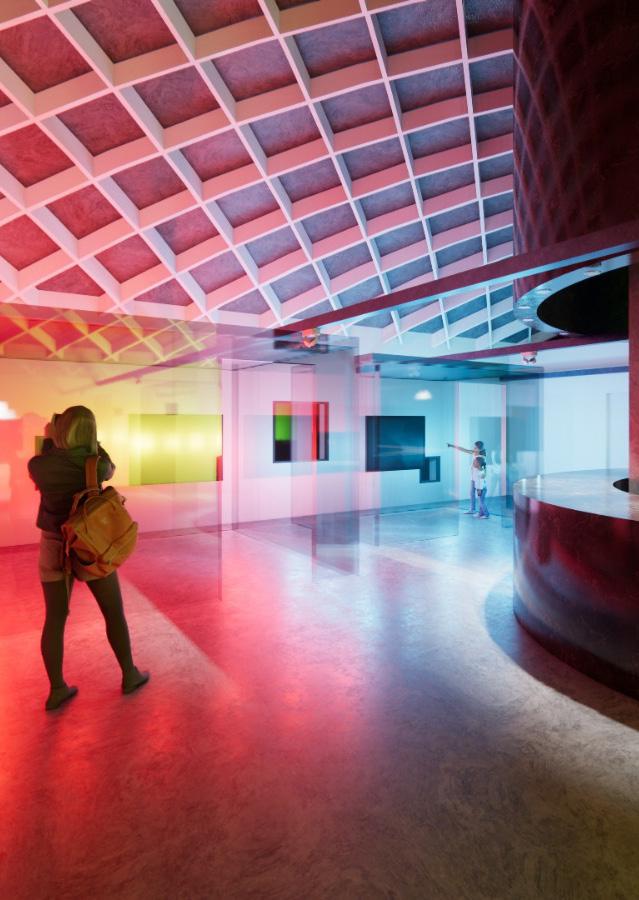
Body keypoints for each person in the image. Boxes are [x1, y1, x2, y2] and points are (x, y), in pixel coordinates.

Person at [28, 406, 149, 711]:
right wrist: (94, 443)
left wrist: (50, 439)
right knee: (113, 611)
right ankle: (129, 675)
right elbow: (108, 466)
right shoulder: (96, 464)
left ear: (60, 431)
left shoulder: (39, 465)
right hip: (89, 544)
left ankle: (57, 690)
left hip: (53, 545)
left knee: (55, 618)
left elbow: (46, 458)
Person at [447, 440, 487, 515]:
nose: (473, 448)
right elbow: (463, 449)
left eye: (475, 447)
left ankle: (482, 512)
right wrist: (452, 446)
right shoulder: (475, 453)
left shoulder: (481, 457)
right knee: (472, 494)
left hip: (478, 479)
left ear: (479, 449)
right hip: (473, 478)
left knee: (480, 497)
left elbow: (483, 471)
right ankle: (473, 509)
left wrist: (481, 482)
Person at [471, 454, 490, 519]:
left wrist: (479, 490)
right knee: (480, 502)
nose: (473, 463)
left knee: (481, 502)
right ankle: (480, 513)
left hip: (481, 489)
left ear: (478, 464)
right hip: (480, 489)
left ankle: (486, 514)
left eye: (474, 462)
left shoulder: (481, 472)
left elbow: (481, 482)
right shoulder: (478, 470)